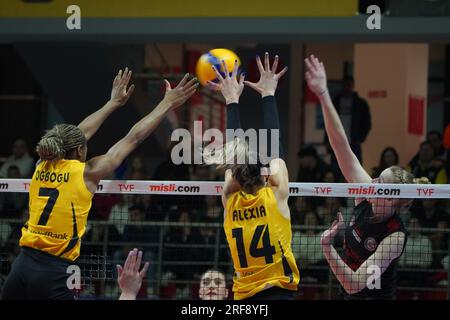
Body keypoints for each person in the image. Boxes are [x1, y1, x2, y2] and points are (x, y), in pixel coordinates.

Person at [1, 68, 197, 300]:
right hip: (52, 272)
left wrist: (112, 103)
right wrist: (166, 104)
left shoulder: (42, 164)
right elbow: (132, 138)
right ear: (80, 150)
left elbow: (78, 133)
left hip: (21, 265)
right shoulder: (87, 173)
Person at [305, 54, 429, 300]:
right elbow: (341, 146)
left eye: (381, 184)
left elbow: (354, 285)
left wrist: (327, 247)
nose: (372, 184)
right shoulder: (367, 196)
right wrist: (323, 93)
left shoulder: (395, 236)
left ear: (393, 200)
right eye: (376, 178)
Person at [206, 53, 300, 300]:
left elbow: (234, 159)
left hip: (243, 298)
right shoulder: (275, 196)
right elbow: (275, 145)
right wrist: (268, 94)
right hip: (278, 292)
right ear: (265, 175)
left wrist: (231, 99)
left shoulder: (230, 200)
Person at [324, 75, 371, 180]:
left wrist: (360, 138)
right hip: (337, 142)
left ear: (353, 86)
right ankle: (337, 196)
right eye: (345, 85)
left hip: (354, 142)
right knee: (336, 171)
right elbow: (327, 122)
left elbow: (367, 123)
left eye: (349, 85)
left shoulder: (360, 103)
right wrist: (327, 141)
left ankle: (355, 195)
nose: (347, 87)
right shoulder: (336, 102)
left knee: (356, 170)